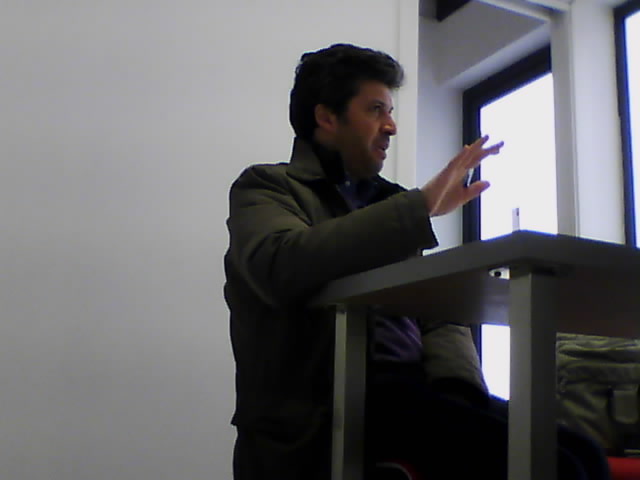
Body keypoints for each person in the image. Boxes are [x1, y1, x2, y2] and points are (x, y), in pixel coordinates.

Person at [224, 43, 610, 480]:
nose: (391, 126)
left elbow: (434, 313)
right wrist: (421, 206)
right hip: (331, 406)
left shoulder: (389, 202)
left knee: (584, 453)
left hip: (419, 393)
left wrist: (458, 390)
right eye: (375, 110)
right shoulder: (267, 186)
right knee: (560, 467)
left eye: (389, 111)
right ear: (327, 117)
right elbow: (279, 264)